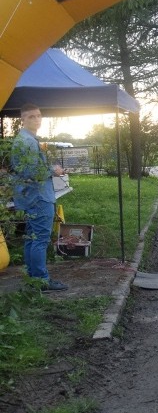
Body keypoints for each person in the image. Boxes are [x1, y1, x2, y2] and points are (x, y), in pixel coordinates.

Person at [10, 103, 67, 291]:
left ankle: (32, 278)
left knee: (31, 238)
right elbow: (32, 171)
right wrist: (55, 170)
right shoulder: (27, 142)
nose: (37, 119)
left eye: (39, 115)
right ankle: (41, 281)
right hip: (39, 197)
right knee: (40, 240)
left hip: (28, 197)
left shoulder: (24, 139)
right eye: (31, 117)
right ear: (23, 120)